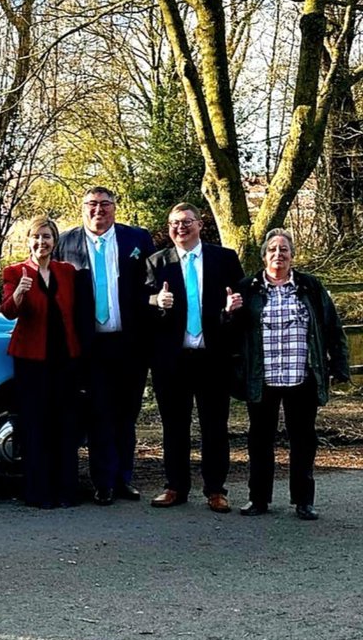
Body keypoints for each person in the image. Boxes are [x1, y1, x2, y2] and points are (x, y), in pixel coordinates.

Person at [233, 228, 350, 521]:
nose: (278, 254)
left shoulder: (310, 286)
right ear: (264, 256)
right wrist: (228, 313)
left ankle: (303, 501)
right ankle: (258, 498)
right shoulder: (247, 287)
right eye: (272, 250)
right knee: (260, 440)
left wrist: (339, 366)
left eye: (284, 249)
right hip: (263, 377)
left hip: (302, 375)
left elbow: (332, 328)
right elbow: (232, 334)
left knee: (303, 440)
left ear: (292, 255)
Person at [54, 186, 154, 505]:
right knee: (99, 413)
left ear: (114, 207)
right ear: (82, 207)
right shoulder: (65, 243)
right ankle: (103, 482)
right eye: (92, 204)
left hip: (130, 343)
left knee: (127, 414)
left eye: (105, 204)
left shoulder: (137, 239)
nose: (98, 210)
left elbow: (151, 284)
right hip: (90, 345)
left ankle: (124, 478)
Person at [143, 203, 245, 513]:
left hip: (213, 358)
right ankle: (175, 487)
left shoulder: (224, 259)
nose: (180, 228)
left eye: (187, 222)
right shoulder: (156, 262)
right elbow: (142, 308)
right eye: (174, 223)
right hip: (172, 361)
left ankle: (216, 490)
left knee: (215, 426)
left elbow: (241, 305)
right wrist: (157, 301)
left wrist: (231, 310)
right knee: (174, 426)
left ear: (200, 224)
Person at [0, 216, 83, 508]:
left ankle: (67, 491)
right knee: (36, 425)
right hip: (31, 360)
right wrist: (20, 293)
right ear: (28, 241)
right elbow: (8, 312)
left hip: (65, 358)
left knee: (65, 423)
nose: (41, 242)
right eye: (36, 237)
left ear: (54, 241)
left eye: (46, 237)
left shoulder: (67, 271)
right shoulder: (14, 272)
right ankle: (39, 492)